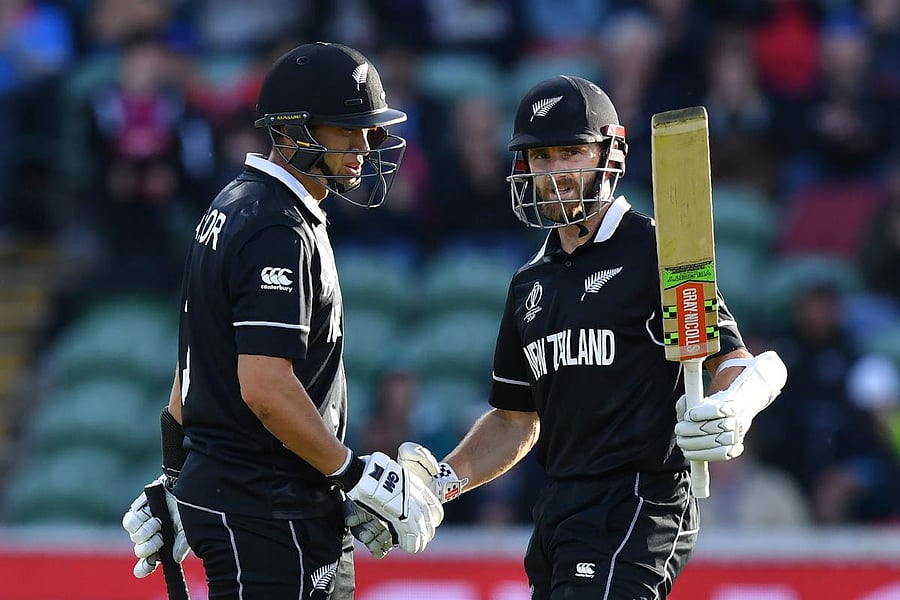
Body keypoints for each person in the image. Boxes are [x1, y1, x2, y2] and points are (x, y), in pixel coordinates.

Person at [397, 75, 788, 599]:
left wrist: (732, 408)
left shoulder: (658, 251)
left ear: (609, 154)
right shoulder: (529, 282)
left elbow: (730, 358)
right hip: (559, 508)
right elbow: (515, 418)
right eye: (540, 158)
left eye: (570, 153)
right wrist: (441, 484)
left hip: (638, 500)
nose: (554, 172)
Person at [119, 42, 443, 599]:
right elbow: (265, 387)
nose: (366, 145)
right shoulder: (277, 227)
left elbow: (194, 365)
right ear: (293, 130)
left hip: (253, 498)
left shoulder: (235, 202)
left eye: (369, 129)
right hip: (269, 507)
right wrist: (353, 474)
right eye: (347, 129)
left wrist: (175, 476)